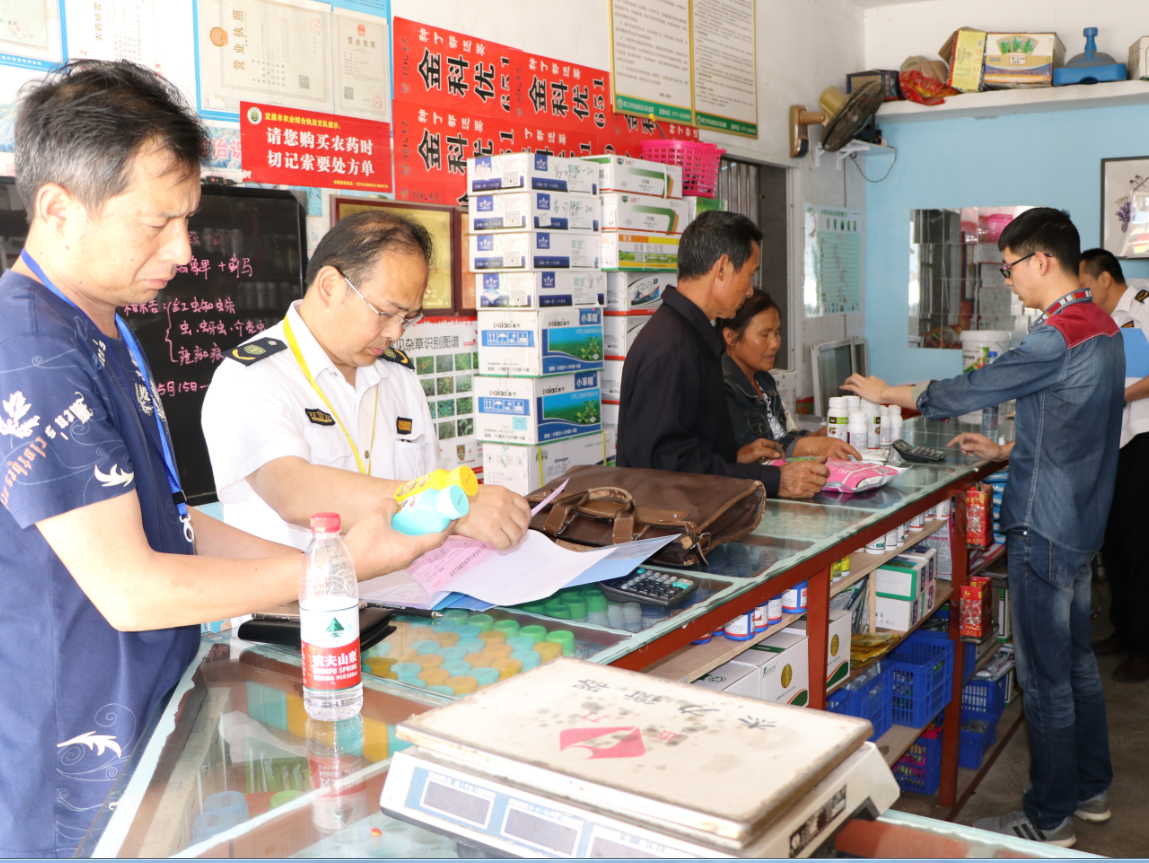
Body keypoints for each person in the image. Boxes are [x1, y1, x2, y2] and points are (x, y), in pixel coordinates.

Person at [0, 62, 447, 858]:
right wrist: (334, 567)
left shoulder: (104, 325)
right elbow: (132, 588)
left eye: (187, 219)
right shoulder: (30, 351)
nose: (182, 249)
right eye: (156, 222)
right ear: (60, 209)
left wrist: (319, 570)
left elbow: (171, 520)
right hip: (71, 758)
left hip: (154, 715)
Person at [844, 208, 1123, 847]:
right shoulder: (1103, 327)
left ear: (1041, 261)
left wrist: (891, 393)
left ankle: (1048, 818)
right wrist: (1006, 451)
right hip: (1082, 521)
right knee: (1077, 664)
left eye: (1009, 267)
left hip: (1044, 527)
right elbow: (1075, 424)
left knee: (1044, 678)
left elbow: (974, 387)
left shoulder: (1056, 336)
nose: (1008, 279)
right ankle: (1090, 788)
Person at [201, 212, 531, 552]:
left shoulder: (399, 378)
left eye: (408, 318)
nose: (396, 332)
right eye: (386, 313)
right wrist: (446, 505)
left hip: (405, 584)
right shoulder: (252, 377)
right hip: (301, 585)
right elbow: (292, 491)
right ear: (330, 286)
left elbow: (428, 486)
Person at [616, 211, 829, 499]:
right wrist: (773, 480)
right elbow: (666, 471)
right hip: (671, 522)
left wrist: (734, 458)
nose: (750, 290)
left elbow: (689, 453)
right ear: (723, 268)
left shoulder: (689, 335)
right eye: (749, 274)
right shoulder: (674, 349)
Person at [1079, 247, 1149, 682]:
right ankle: (1124, 631)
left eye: (1085, 285)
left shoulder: (1143, 306)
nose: (1081, 294)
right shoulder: (1101, 320)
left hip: (1143, 440)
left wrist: (1114, 397)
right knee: (1116, 543)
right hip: (1114, 441)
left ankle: (1144, 648)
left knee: (1141, 547)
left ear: (1105, 278)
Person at [716, 289, 861, 461]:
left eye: (777, 333)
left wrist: (815, 436)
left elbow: (779, 436)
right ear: (731, 337)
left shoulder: (764, 380)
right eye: (764, 335)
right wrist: (811, 446)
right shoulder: (721, 386)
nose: (775, 344)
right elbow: (755, 453)